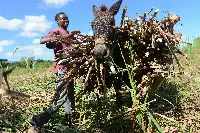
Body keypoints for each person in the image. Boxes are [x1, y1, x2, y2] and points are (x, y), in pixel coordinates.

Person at [28, 12, 80, 132]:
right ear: (57, 21)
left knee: (70, 99)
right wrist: (57, 38)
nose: (66, 20)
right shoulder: (56, 31)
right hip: (62, 70)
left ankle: (71, 123)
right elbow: (42, 40)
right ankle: (37, 120)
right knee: (61, 98)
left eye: (67, 18)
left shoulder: (70, 34)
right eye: (63, 19)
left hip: (71, 70)